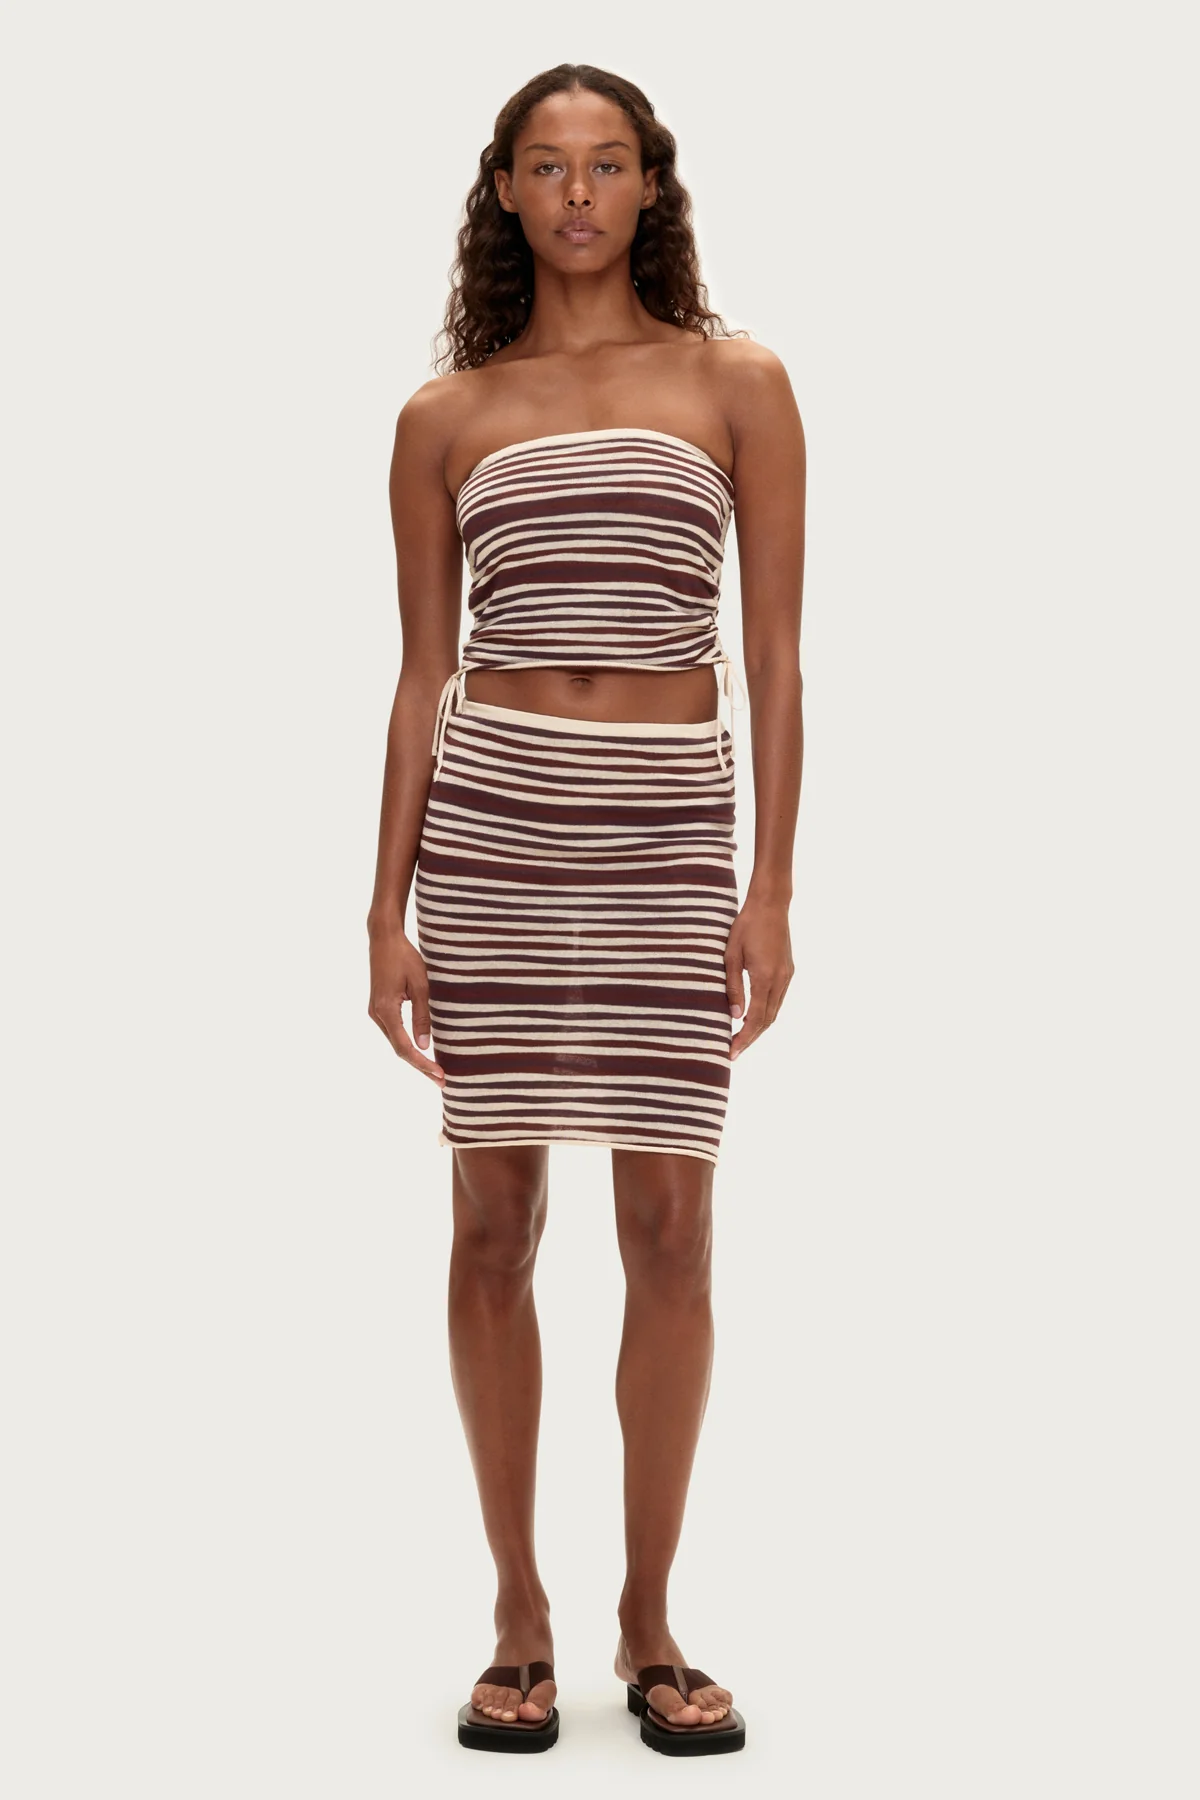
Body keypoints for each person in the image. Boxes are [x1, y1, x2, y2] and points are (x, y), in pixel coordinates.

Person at [367, 62, 805, 1757]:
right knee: (493, 1224)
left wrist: (770, 885)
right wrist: (384, 909)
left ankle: (650, 1620)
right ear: (504, 190)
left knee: (673, 1228)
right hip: (496, 830)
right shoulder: (445, 415)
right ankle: (518, 1615)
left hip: (668, 827)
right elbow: (421, 676)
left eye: (607, 163)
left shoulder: (738, 384)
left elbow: (776, 659)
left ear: (649, 187)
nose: (576, 193)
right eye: (547, 166)